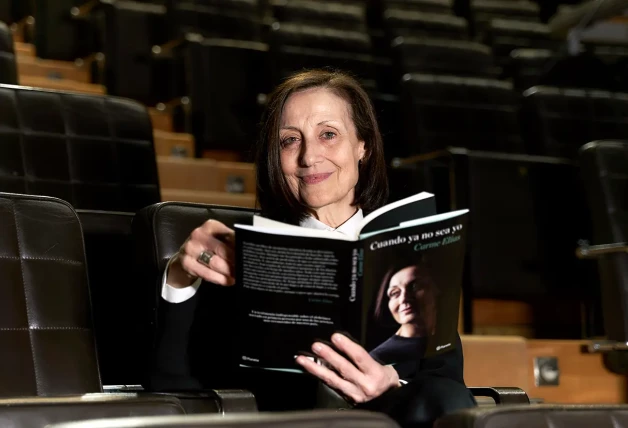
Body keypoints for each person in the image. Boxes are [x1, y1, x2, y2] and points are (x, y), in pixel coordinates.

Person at [150, 69, 476, 427]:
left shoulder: (414, 258)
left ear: (362, 145)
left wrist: (392, 386)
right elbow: (172, 390)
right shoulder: (239, 257)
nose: (309, 157)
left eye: (328, 135)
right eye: (290, 140)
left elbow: (450, 394)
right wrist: (180, 277)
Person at [369, 257, 439, 378]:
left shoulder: (448, 339)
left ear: (436, 289)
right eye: (394, 293)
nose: (404, 298)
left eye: (415, 286)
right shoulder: (380, 356)